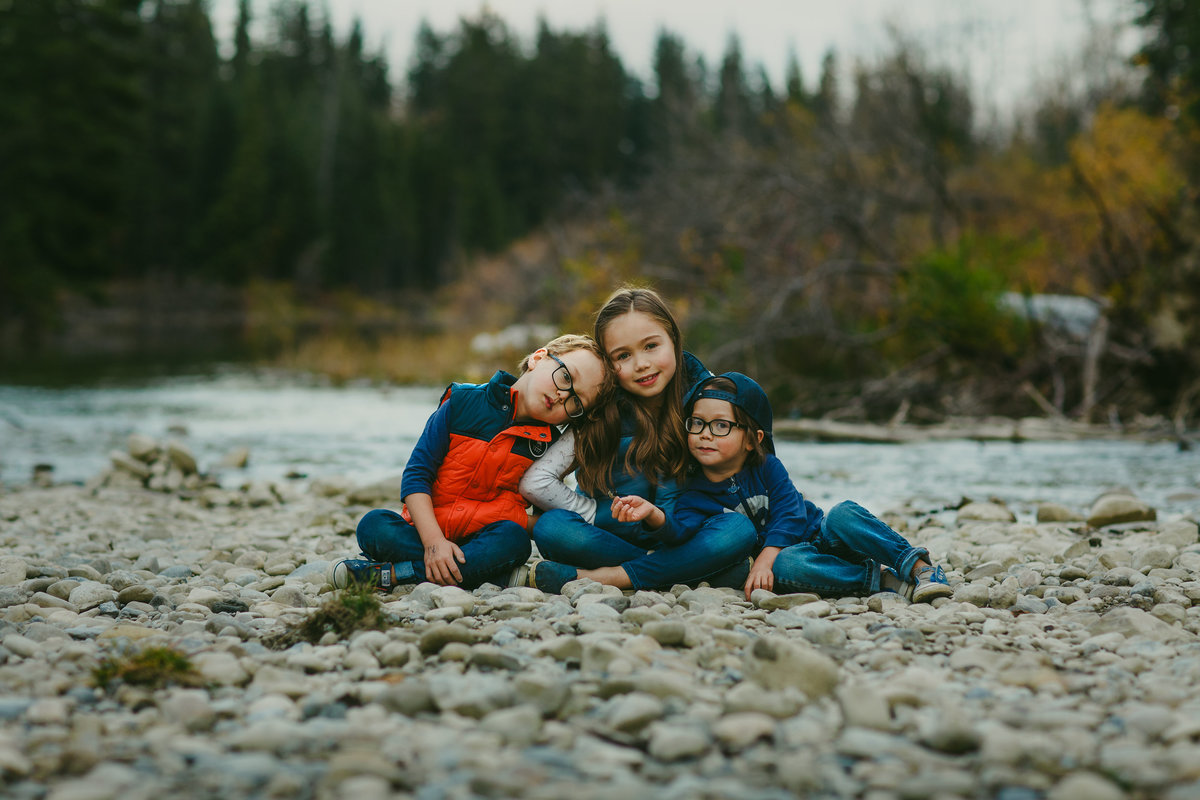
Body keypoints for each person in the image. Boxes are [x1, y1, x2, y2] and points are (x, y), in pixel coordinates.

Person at [516, 287, 758, 593]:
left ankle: (616, 577)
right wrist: (590, 510)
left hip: (685, 532)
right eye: (623, 356)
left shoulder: (706, 397)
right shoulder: (599, 409)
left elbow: (752, 468)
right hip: (612, 538)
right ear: (607, 364)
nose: (641, 364)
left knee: (737, 529)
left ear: (673, 339)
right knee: (553, 529)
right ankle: (687, 569)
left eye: (651, 346)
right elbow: (537, 480)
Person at [330, 334, 610, 591]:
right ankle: (489, 575)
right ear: (538, 358)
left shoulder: (548, 446)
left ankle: (394, 574)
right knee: (373, 525)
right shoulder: (463, 402)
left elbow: (539, 513)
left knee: (514, 541)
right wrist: (434, 543)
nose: (563, 395)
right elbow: (416, 476)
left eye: (575, 402)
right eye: (565, 377)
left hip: (484, 540)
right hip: (424, 532)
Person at [674, 372, 954, 603]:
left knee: (842, 513)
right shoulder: (694, 492)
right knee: (786, 567)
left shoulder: (767, 466)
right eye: (697, 423)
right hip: (799, 559)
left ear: (752, 440)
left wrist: (765, 556)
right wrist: (654, 523)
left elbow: (791, 513)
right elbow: (684, 533)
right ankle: (880, 579)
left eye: (720, 425)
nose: (705, 434)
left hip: (822, 534)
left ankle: (920, 568)